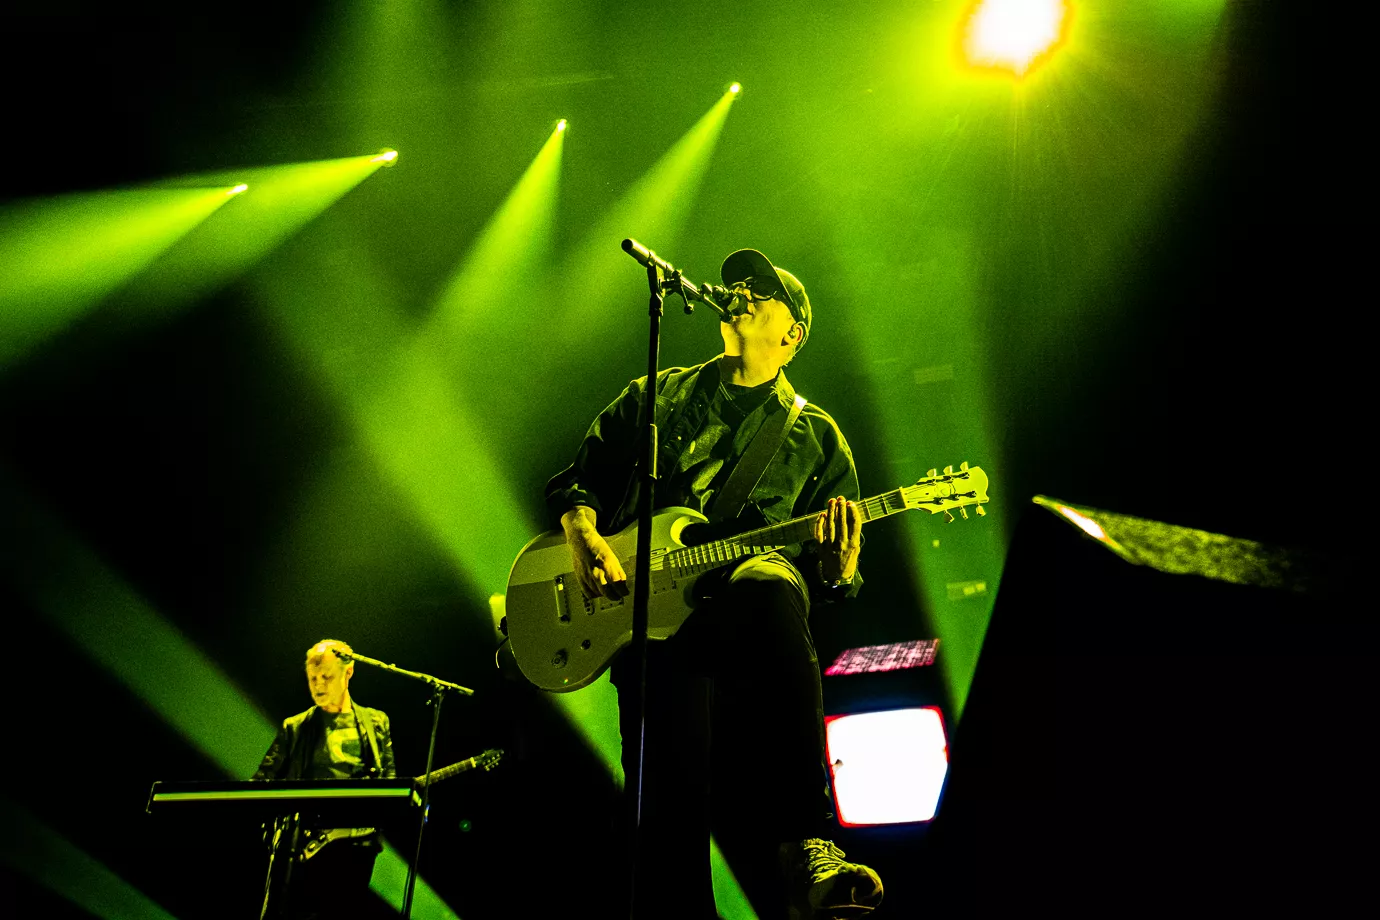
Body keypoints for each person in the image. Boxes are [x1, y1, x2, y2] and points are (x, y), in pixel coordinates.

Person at [545, 249, 884, 919]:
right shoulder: (657, 394)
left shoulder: (816, 436)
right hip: (648, 617)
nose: (742, 291)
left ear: (792, 334)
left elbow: (837, 584)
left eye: (762, 289)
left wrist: (840, 567)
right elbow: (578, 477)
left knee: (768, 581)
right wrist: (582, 532)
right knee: (664, 818)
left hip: (748, 620)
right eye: (739, 283)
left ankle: (807, 841)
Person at [253, 639, 396, 919]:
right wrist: (273, 831)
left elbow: (390, 784)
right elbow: (261, 783)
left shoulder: (376, 722)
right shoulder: (295, 727)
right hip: (303, 851)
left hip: (355, 852)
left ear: (348, 671)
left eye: (326, 677)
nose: (318, 685)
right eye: (313, 678)